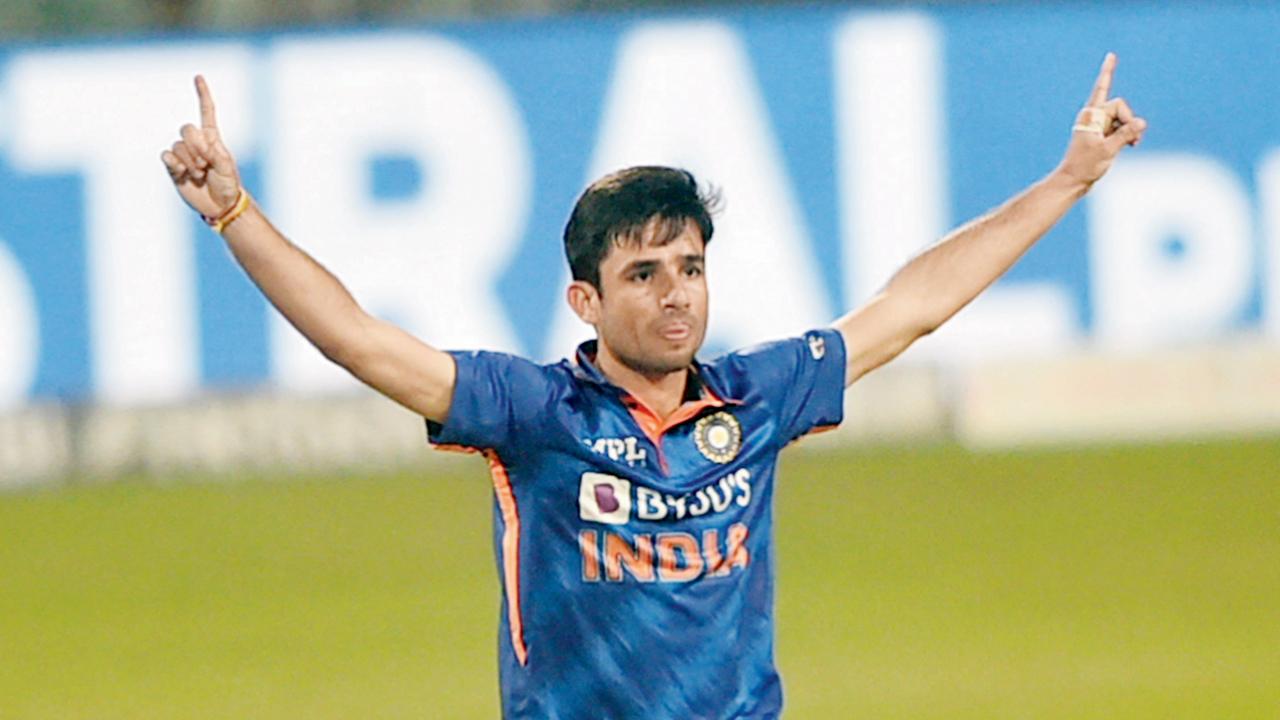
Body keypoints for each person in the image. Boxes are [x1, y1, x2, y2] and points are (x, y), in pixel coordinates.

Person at [162, 53, 1145, 719]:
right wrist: (234, 212)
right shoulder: (533, 412)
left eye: (688, 267)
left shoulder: (757, 398)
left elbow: (911, 304)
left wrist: (1067, 180)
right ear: (582, 299)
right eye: (643, 274)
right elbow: (356, 341)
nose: (675, 296)